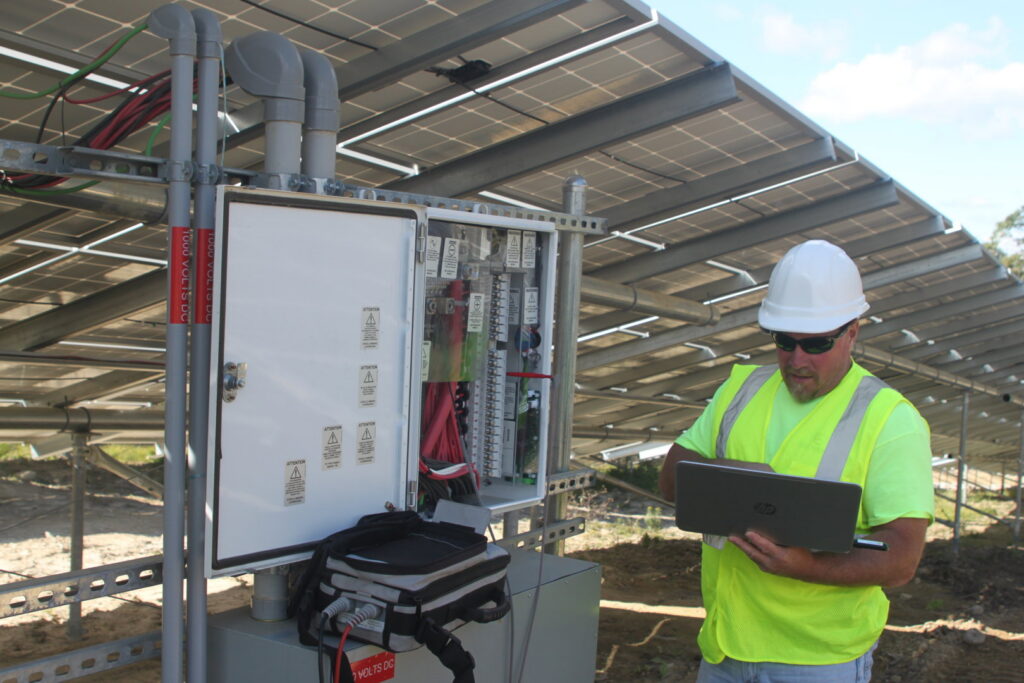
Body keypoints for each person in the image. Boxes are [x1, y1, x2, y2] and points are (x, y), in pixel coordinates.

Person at [658, 240, 934, 682]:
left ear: (852, 332)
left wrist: (807, 568)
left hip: (817, 661)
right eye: (784, 342)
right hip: (725, 647)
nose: (797, 360)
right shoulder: (742, 388)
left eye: (817, 343)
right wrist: (745, 484)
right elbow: (673, 480)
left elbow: (901, 558)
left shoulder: (890, 420)